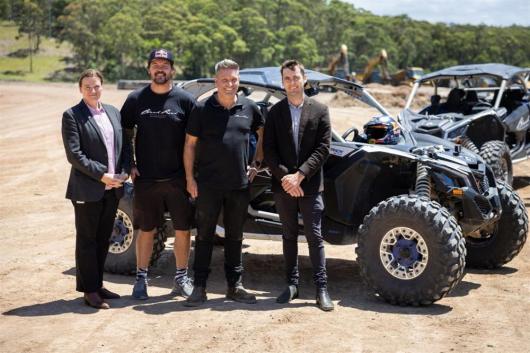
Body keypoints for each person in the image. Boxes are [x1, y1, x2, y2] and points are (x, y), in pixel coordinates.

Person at [183, 59, 264, 307]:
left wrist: (257, 163)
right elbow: (189, 144)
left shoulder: (250, 108)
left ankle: (234, 287)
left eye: (234, 80)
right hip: (208, 185)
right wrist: (189, 179)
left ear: (239, 81)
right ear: (216, 81)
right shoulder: (201, 109)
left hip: (239, 186)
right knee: (205, 236)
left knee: (235, 237)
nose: (230, 84)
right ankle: (199, 288)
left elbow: (262, 133)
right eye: (225, 80)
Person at [121, 49, 196, 300]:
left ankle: (181, 278)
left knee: (183, 230)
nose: (160, 68)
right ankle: (141, 280)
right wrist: (128, 163)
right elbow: (124, 134)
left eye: (165, 64)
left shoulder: (185, 101)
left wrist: (191, 176)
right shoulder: (135, 99)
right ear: (149, 69)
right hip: (146, 179)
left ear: (172, 70)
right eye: (155, 64)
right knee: (146, 229)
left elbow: (194, 141)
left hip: (178, 179)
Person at [263, 59, 334, 311]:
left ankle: (321, 289)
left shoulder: (320, 110)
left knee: (315, 236)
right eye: (287, 79)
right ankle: (292, 285)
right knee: (288, 235)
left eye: (295, 77)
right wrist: (286, 178)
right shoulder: (274, 112)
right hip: (283, 186)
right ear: (282, 82)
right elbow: (268, 151)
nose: (292, 82)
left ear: (304, 79)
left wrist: (300, 175)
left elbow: (323, 148)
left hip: (310, 185)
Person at [61, 69, 130, 309]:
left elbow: (124, 145)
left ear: (103, 86)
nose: (93, 90)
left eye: (97, 86)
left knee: (103, 240)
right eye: (88, 87)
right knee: (87, 240)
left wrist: (126, 170)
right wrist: (102, 175)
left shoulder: (112, 112)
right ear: (80, 89)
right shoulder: (72, 116)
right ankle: (89, 290)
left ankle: (98, 284)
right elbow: (74, 155)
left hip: (113, 187)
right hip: (87, 189)